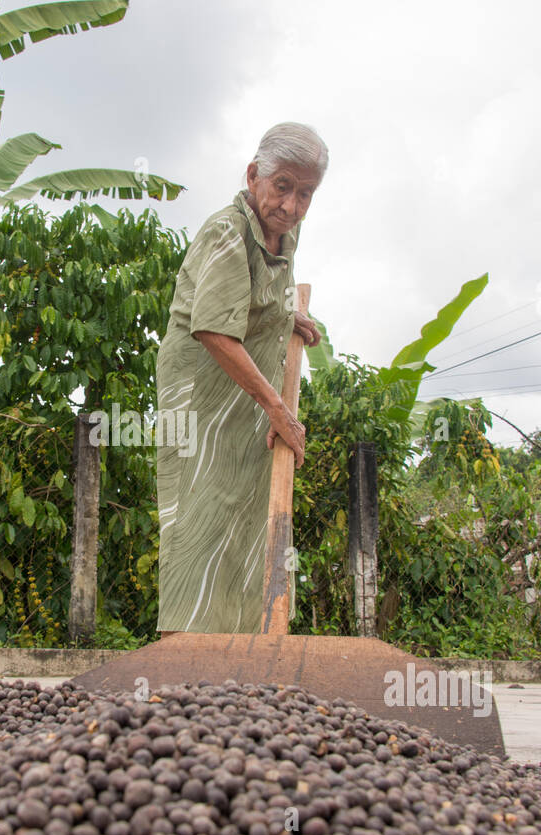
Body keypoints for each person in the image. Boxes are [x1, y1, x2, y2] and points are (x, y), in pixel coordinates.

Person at [155, 121, 327, 635]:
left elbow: (253, 298)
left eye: (306, 193)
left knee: (249, 523)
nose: (292, 206)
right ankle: (180, 662)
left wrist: (282, 314)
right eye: (282, 187)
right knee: (199, 521)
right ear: (254, 175)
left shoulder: (284, 232)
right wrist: (277, 407)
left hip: (247, 400)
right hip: (201, 397)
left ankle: (245, 658)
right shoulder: (227, 231)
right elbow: (213, 329)